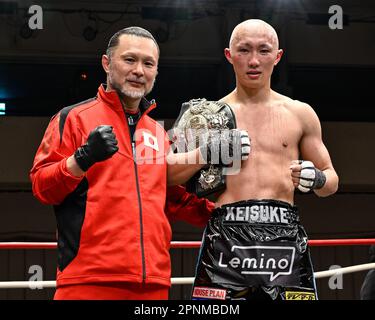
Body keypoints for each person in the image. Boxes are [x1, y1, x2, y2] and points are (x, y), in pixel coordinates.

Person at [30, 26, 215, 300]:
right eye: (129, 59)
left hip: (153, 283)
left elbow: (172, 199)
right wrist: (81, 158)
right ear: (107, 63)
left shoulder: (157, 132)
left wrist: (229, 211)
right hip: (88, 281)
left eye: (148, 63)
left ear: (156, 71)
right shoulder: (73, 118)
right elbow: (42, 187)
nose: (139, 70)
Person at [172, 19, 339, 300]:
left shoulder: (300, 113)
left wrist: (318, 178)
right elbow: (166, 177)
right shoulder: (206, 117)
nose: (254, 61)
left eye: (263, 51)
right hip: (225, 238)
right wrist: (206, 153)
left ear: (278, 56)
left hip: (283, 235)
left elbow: (331, 181)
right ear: (228, 55)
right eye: (244, 50)